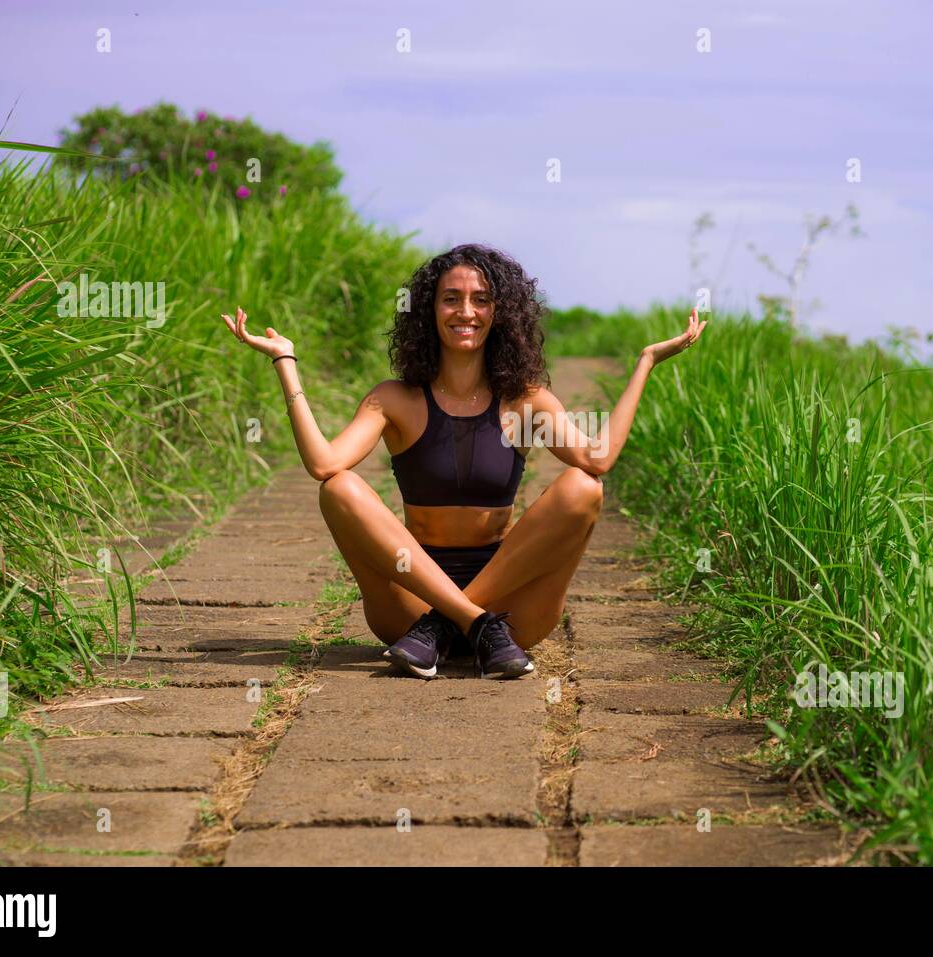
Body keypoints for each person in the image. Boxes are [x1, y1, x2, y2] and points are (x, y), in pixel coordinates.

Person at [222, 243, 705, 680]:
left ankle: (448, 625)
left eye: (481, 300)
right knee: (338, 488)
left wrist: (645, 362)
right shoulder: (395, 399)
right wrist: (285, 361)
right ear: (430, 311)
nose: (466, 311)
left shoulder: (525, 401)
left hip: (511, 602)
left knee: (584, 487)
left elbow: (595, 459)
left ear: (500, 313)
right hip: (409, 600)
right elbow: (325, 464)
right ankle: (473, 625)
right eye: (451, 298)